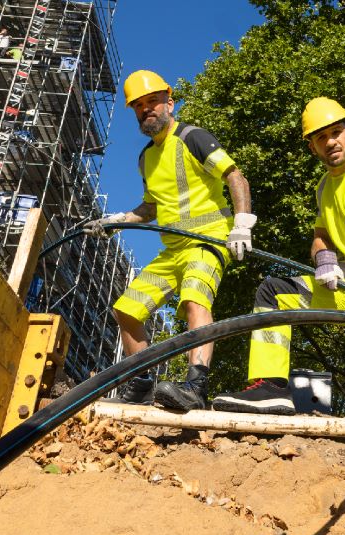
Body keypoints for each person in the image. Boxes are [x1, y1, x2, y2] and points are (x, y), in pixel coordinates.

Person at [213, 97, 345, 528]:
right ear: (312, 146)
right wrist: (323, 258)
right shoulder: (325, 187)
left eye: (335, 132)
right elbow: (320, 236)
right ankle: (270, 386)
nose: (329, 142)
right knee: (275, 292)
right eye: (319, 138)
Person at [84, 70, 256, 410]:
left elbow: (235, 176)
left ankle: (195, 385)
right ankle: (142, 382)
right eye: (140, 106)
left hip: (207, 240)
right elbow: (150, 208)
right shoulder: (145, 158)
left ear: (169, 103)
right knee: (127, 310)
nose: (147, 109)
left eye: (153, 102)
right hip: (172, 250)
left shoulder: (193, 137)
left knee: (195, 299)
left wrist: (242, 224)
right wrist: (115, 221)